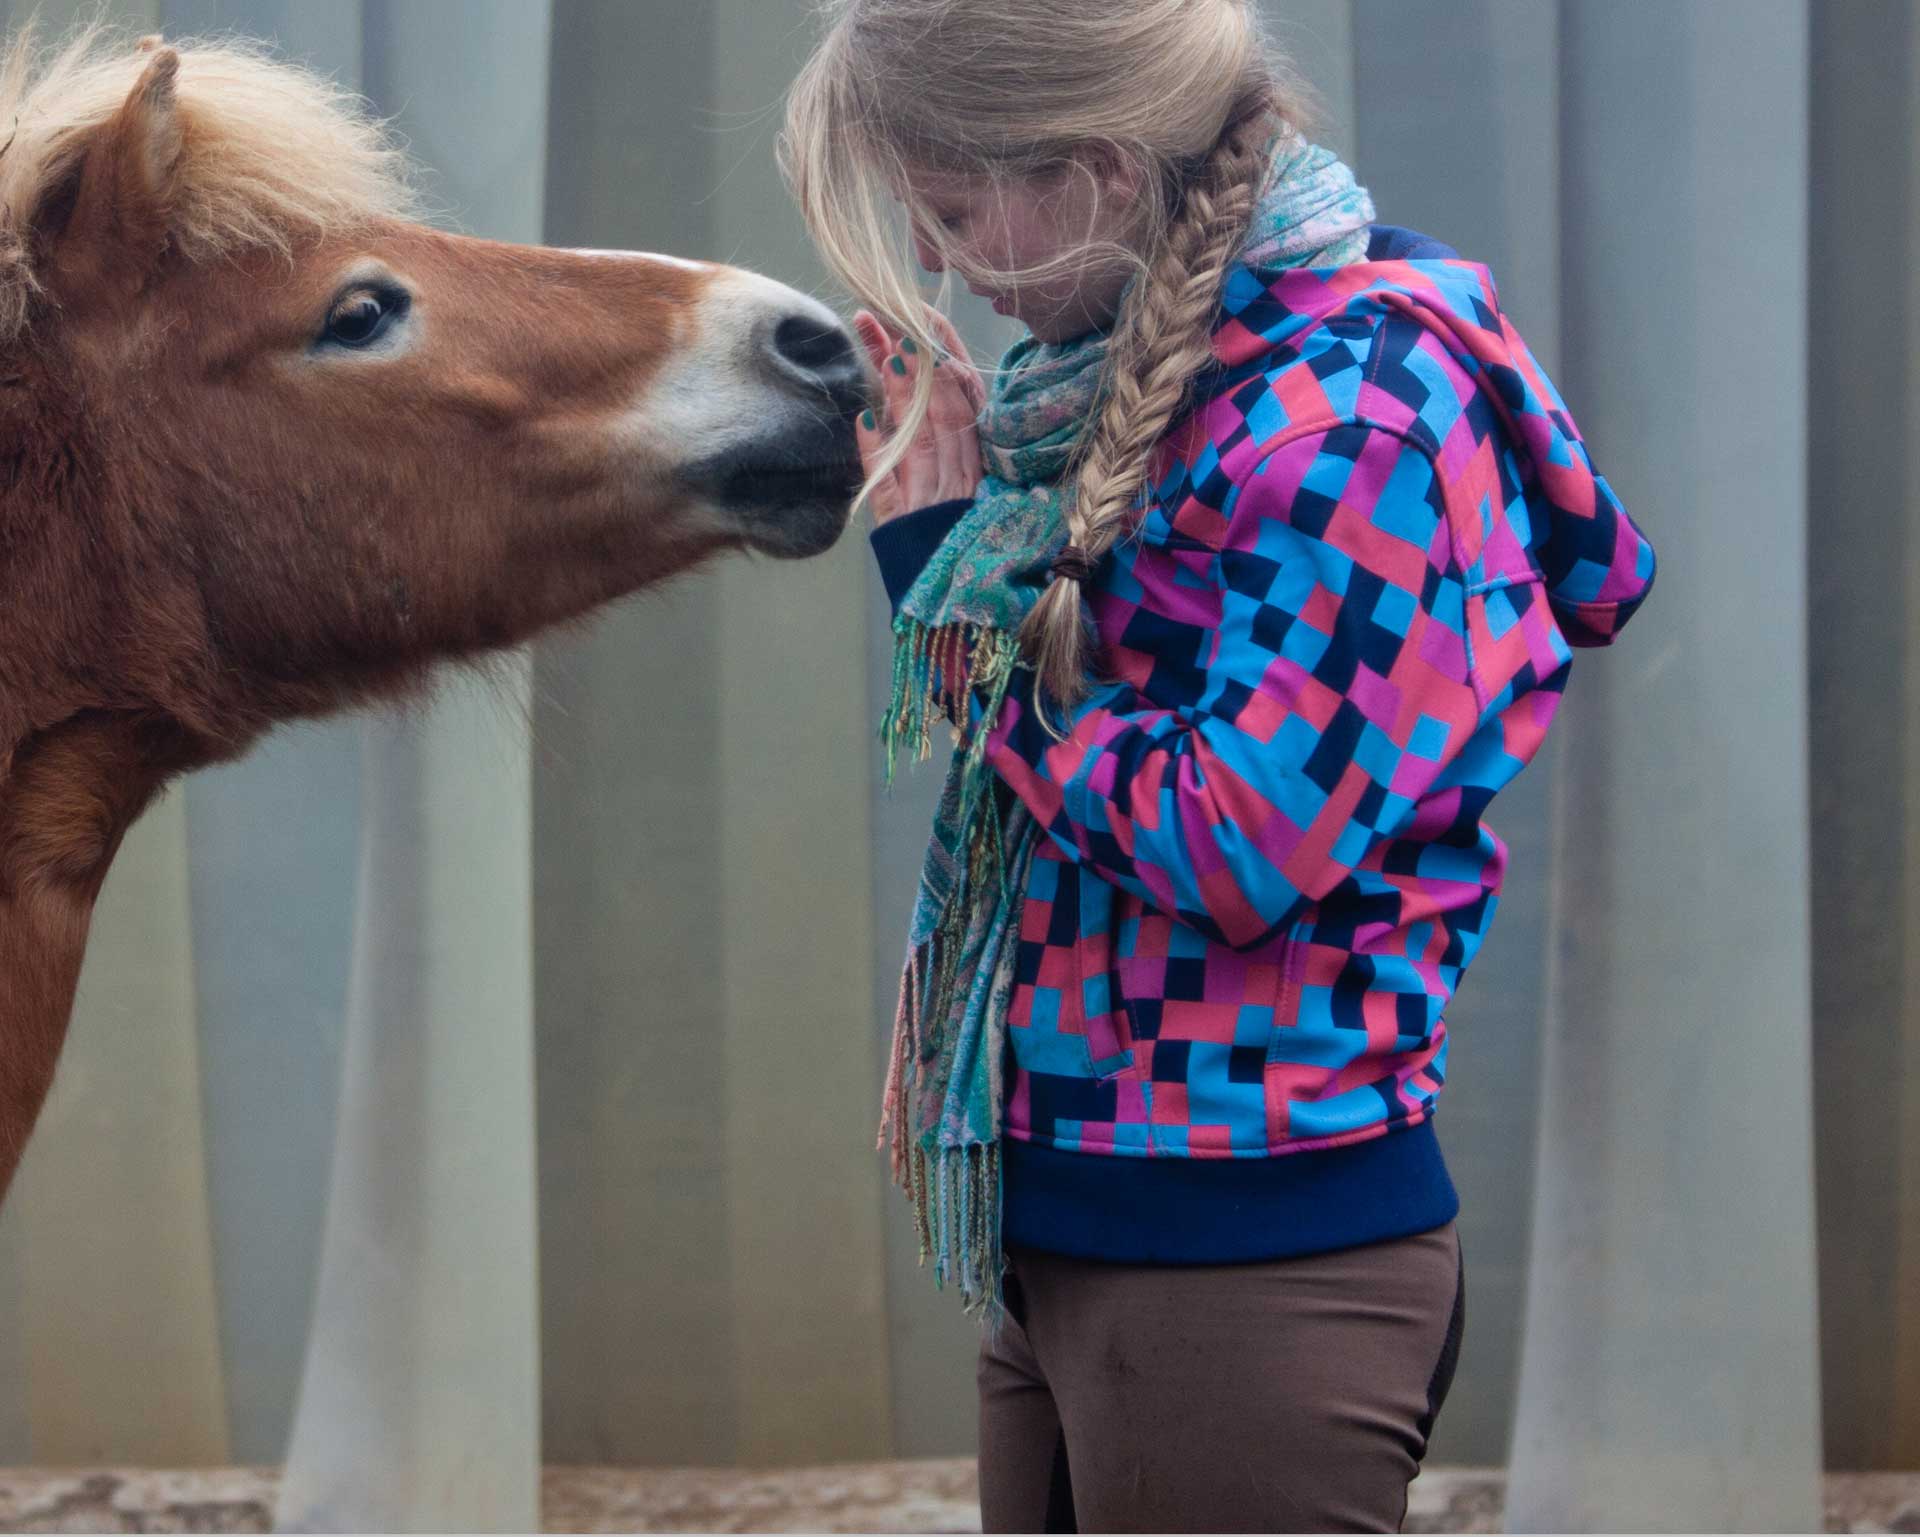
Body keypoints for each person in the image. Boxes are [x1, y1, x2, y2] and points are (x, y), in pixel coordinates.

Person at [781, 2, 1655, 1530]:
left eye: (955, 210)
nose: (935, 268)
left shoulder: (1362, 413)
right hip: (1081, 1226)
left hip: (1246, 1254)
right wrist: (975, 539)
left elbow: (1231, 837)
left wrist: (948, 576)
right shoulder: (1154, 383)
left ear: (1106, 172)